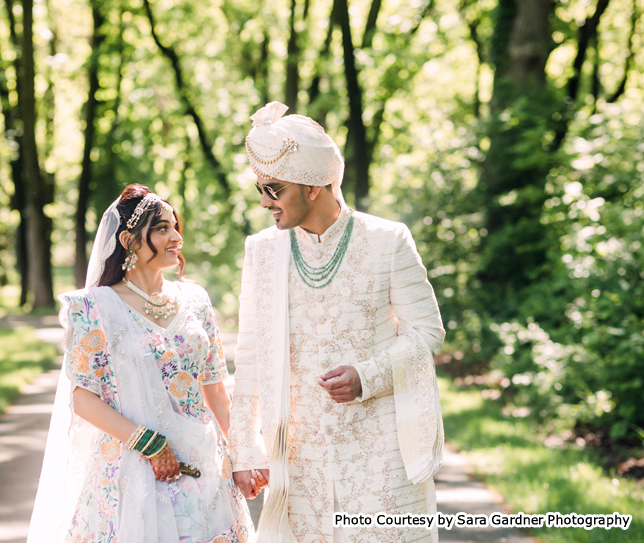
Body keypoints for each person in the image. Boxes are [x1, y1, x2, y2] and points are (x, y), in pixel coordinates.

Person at [228, 102, 446, 543]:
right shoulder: (262, 251)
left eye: (275, 189)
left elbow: (428, 332)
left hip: (380, 448)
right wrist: (245, 449)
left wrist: (367, 376)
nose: (267, 202)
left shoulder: (388, 240)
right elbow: (250, 352)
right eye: (261, 190)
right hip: (298, 455)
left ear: (314, 187)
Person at [27, 184, 254, 543]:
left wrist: (245, 458)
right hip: (129, 474)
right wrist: (150, 444)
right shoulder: (93, 308)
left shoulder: (196, 300)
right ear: (129, 240)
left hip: (206, 473)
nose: (177, 236)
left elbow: (216, 392)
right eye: (162, 228)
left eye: (175, 226)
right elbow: (83, 399)